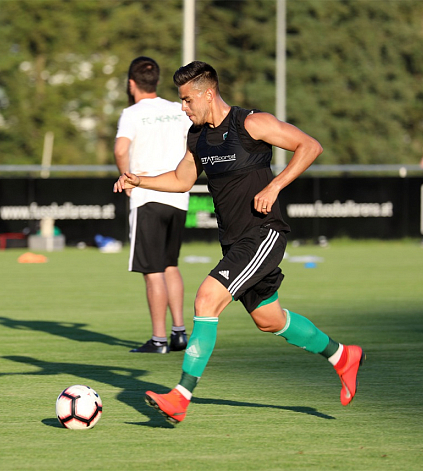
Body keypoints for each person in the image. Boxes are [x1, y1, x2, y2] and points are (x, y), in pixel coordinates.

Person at [113, 61, 365, 424]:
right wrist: (140, 180)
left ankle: (181, 396)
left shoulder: (251, 123)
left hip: (263, 234)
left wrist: (274, 186)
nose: (183, 108)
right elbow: (182, 180)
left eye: (187, 100)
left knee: (206, 299)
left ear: (207, 94)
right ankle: (342, 356)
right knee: (269, 319)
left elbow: (310, 146)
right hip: (234, 243)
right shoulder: (196, 136)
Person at [114, 56, 191, 354]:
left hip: (147, 195)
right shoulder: (176, 109)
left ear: (131, 83)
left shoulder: (132, 113)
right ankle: (179, 333)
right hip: (177, 194)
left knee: (153, 269)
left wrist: (127, 178)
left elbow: (121, 149)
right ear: (157, 81)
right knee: (170, 265)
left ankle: (158, 340)